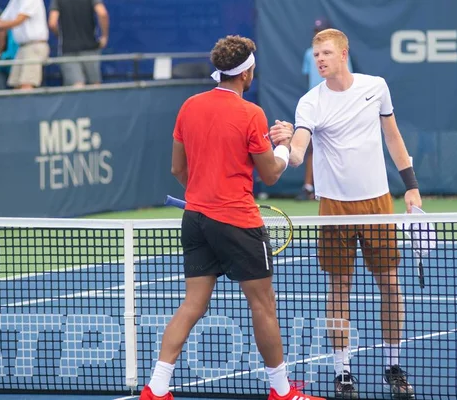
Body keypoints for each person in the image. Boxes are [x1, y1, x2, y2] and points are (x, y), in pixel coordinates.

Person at [139, 35, 324, 400]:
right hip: (238, 221)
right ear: (247, 72)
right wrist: (284, 147)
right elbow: (270, 174)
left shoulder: (189, 106)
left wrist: (206, 191)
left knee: (193, 303)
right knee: (263, 304)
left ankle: (157, 388)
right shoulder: (251, 114)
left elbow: (178, 168)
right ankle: (282, 392)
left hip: (195, 220)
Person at [270, 28, 422, 400]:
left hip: (378, 203)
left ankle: (393, 366)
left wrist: (411, 184)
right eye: (316, 54)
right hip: (333, 208)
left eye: (326, 53)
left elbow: (393, 136)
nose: (320, 59)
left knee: (389, 284)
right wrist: (288, 144)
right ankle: (343, 373)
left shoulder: (376, 87)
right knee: (339, 287)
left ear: (343, 53)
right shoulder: (310, 102)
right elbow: (299, 152)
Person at [297, 18, 353, 201]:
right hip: (317, 108)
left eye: (321, 30)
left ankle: (342, 187)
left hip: (339, 106)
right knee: (313, 149)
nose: (317, 34)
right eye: (316, 31)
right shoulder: (309, 54)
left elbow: (347, 78)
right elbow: (309, 77)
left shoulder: (341, 57)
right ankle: (308, 187)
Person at [0, 0, 48, 90]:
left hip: (34, 46)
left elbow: (18, 21)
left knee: (27, 86)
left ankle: (30, 104)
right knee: (16, 86)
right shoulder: (14, 2)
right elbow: (2, 20)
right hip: (21, 48)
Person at [48, 0, 110, 87]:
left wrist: (61, 35)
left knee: (76, 86)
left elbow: (52, 23)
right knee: (95, 85)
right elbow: (102, 13)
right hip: (90, 47)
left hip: (68, 49)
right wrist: (104, 36)